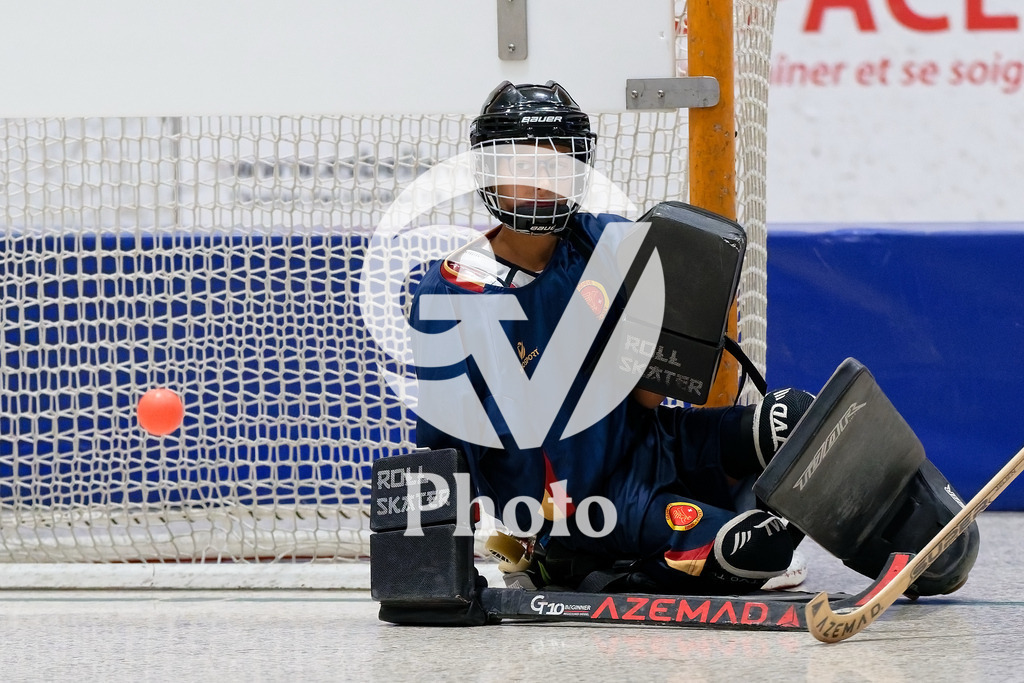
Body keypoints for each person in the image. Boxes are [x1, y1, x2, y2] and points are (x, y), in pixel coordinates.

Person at [408, 80, 814, 595]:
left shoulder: (608, 240)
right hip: (586, 508)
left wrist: (684, 323)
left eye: (557, 164)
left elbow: (647, 396)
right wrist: (436, 575)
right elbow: (442, 446)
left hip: (654, 444)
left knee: (795, 417)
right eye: (524, 166)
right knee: (756, 552)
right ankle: (569, 561)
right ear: (490, 172)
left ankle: (900, 536)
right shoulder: (450, 294)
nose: (542, 182)